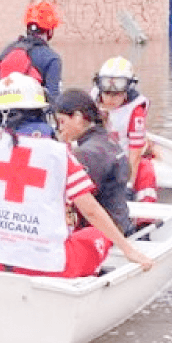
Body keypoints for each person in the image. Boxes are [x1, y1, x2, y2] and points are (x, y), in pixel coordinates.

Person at [0, 74, 154, 277]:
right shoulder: (59, 153)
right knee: (97, 235)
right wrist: (128, 250)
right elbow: (91, 210)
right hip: (48, 267)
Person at [53, 88, 134, 237]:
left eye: (62, 121)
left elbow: (75, 201)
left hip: (101, 233)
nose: (60, 128)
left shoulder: (85, 154)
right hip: (121, 222)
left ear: (78, 117)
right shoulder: (109, 141)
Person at [91, 56, 158, 204]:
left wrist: (128, 184)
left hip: (125, 159)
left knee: (146, 170)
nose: (111, 99)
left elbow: (135, 153)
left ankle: (144, 212)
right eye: (107, 93)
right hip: (98, 158)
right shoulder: (92, 100)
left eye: (117, 94)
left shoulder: (135, 110)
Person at [0, 0, 63, 103]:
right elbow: (54, 99)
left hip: (2, 111)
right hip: (34, 111)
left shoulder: (7, 51)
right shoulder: (52, 58)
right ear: (50, 31)